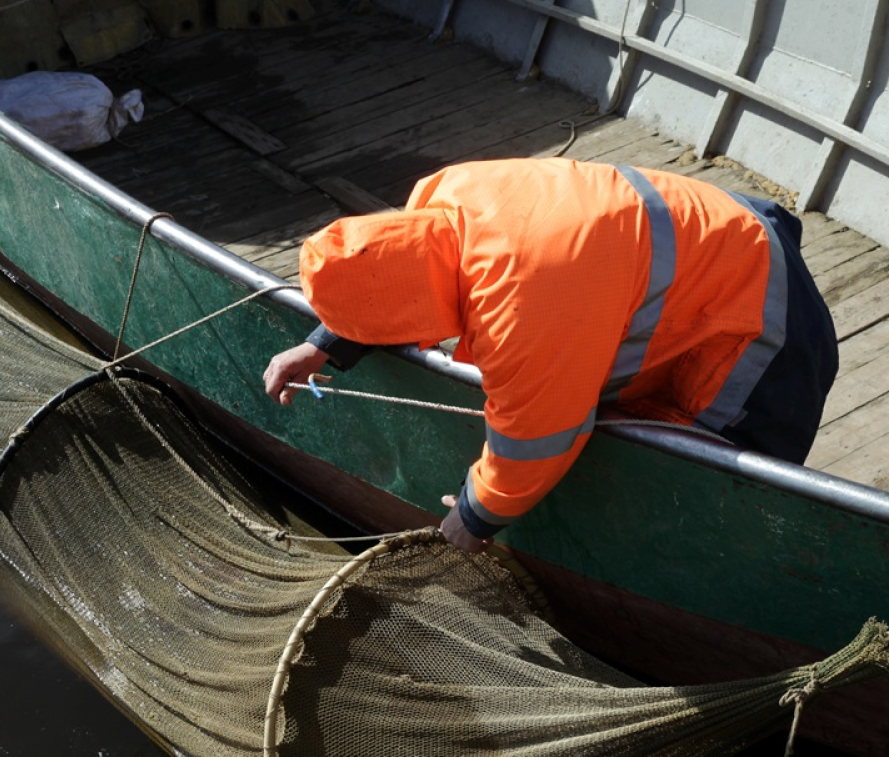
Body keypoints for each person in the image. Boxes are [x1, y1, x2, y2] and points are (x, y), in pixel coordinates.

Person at [262, 158, 837, 553]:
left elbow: (538, 438)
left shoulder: (520, 303)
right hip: (713, 232)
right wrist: (323, 344)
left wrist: (472, 518)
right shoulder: (443, 194)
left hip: (762, 320)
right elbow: (398, 273)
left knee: (719, 488)